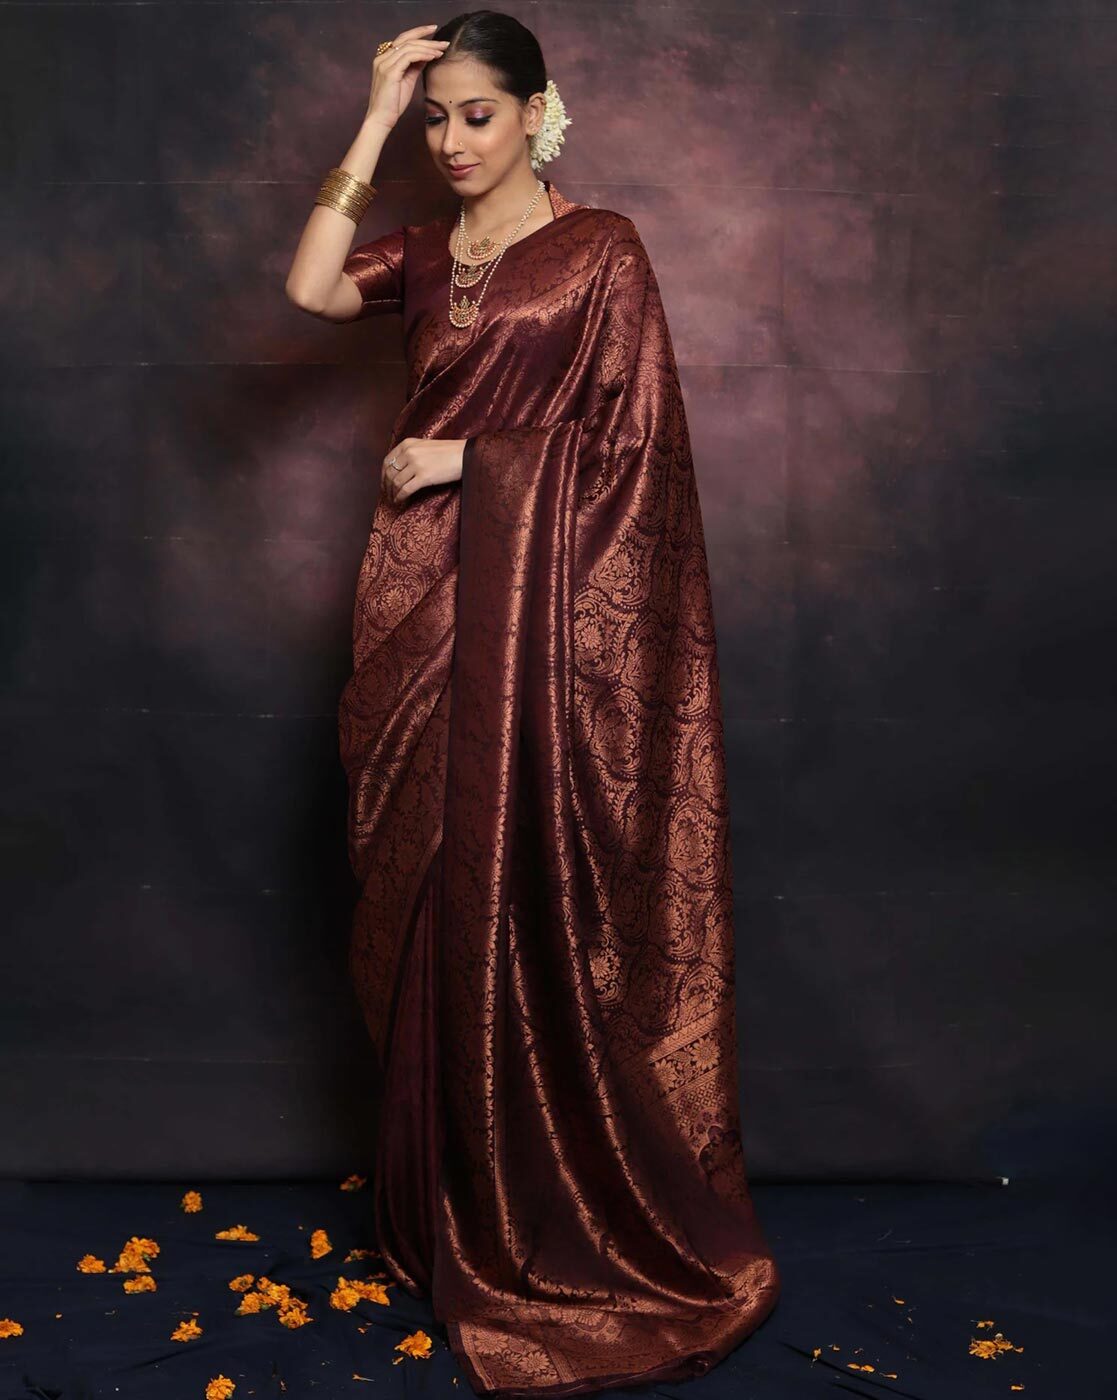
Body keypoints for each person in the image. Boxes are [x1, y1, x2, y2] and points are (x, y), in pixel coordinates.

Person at [285, 10, 781, 1395]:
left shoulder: (601, 249)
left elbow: (636, 449)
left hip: (536, 608)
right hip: (416, 600)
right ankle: (448, 1201)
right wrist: (371, 115)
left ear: (536, 113)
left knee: (513, 880)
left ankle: (539, 1205)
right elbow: (311, 290)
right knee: (426, 887)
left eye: (476, 114)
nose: (453, 141)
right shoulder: (426, 253)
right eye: (437, 117)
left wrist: (469, 459)